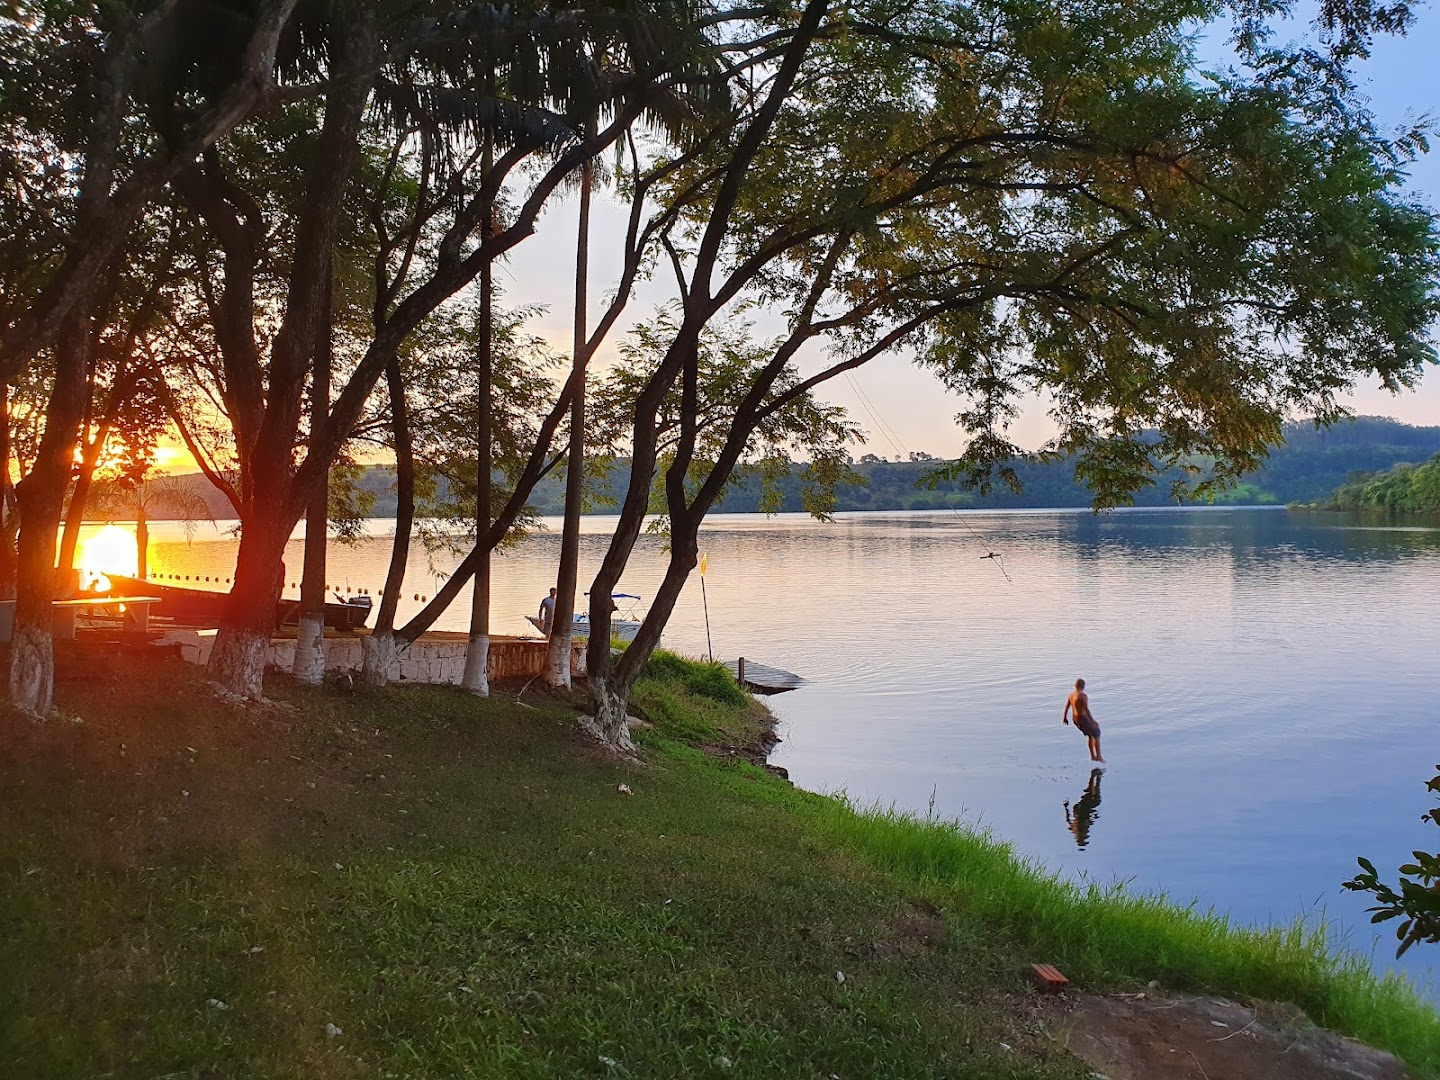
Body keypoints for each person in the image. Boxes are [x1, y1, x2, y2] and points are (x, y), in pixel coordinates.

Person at [1063, 677, 1105, 763]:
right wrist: (1093, 721)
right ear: (1083, 686)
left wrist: (1065, 717)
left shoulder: (1071, 695)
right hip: (1083, 718)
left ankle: (1093, 756)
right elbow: (1086, 709)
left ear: (1075, 685)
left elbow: (1067, 706)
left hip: (1075, 719)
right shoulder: (1082, 696)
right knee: (1097, 734)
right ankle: (1099, 756)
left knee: (1090, 735)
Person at [1063, 768, 1104, 849]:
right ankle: (1096, 778)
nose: (1086, 836)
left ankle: (1096, 777)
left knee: (1095, 800)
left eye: (1085, 838)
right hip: (1078, 810)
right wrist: (1066, 807)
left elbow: (1085, 821)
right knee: (1090, 795)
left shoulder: (1080, 830)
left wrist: (1093, 817)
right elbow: (1068, 819)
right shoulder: (1074, 830)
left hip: (1082, 810)